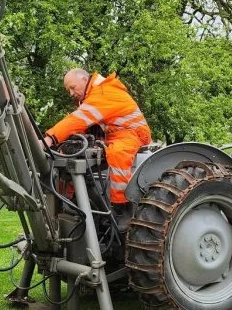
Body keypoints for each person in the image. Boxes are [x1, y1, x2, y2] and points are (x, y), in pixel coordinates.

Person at [42, 69, 152, 221]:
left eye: (73, 87)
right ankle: (69, 200)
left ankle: (122, 208)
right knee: (73, 152)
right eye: (68, 90)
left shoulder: (103, 92)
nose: (71, 94)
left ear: (84, 79)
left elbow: (78, 120)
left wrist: (50, 138)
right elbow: (79, 124)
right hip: (113, 134)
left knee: (117, 153)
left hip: (131, 132)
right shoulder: (94, 95)